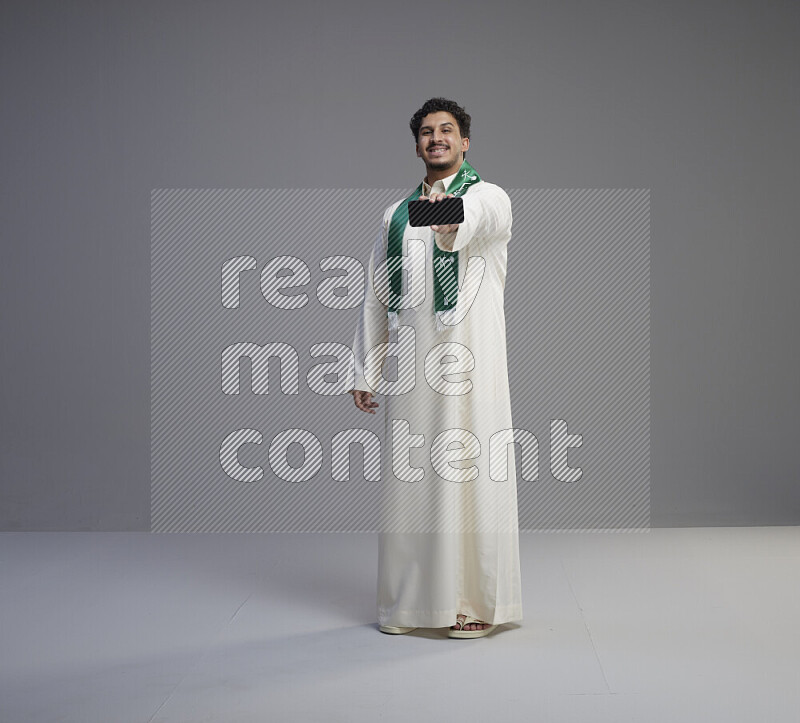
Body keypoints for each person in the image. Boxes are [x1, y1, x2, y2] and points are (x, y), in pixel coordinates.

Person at [349, 98, 523, 639]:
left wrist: (437, 209)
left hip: (475, 369)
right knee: (412, 483)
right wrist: (366, 368)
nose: (436, 139)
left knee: (472, 480)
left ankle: (473, 604)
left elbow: (466, 219)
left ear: (465, 141)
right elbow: (378, 294)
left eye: (447, 130)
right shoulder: (393, 215)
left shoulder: (488, 196)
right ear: (417, 144)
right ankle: (411, 604)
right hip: (418, 371)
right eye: (426, 132)